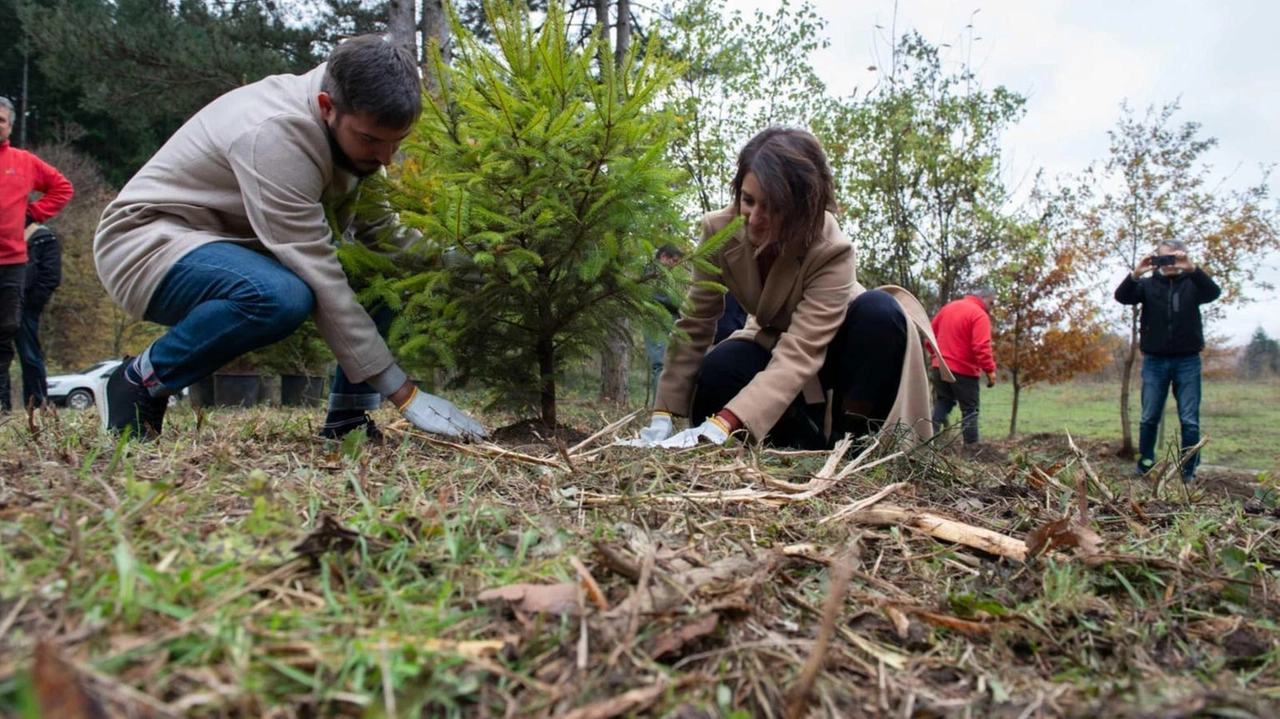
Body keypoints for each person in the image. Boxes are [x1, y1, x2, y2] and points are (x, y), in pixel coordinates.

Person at [93, 35, 486, 441]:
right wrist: (405, 395)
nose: (386, 158)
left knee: (378, 272)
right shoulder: (275, 137)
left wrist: (450, 260)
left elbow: (381, 234)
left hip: (234, 249)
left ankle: (348, 419)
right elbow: (318, 271)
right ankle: (138, 381)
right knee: (281, 295)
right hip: (148, 247)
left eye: (396, 142)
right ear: (326, 107)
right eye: (371, 140)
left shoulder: (352, 138)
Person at [624, 127, 949, 450]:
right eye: (747, 200)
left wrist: (725, 422)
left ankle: (851, 442)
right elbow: (695, 325)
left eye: (773, 208)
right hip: (775, 343)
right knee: (717, 374)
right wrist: (663, 412)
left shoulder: (831, 249)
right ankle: (807, 442)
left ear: (802, 208)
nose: (753, 219)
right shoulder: (719, 231)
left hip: (842, 347)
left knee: (881, 313)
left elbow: (801, 351)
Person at [1115, 239, 1220, 481]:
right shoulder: (1148, 285)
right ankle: (1146, 464)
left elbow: (1213, 293)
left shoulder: (1193, 284)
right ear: (1156, 259)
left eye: (1175, 258)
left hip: (1188, 360)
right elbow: (1122, 297)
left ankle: (1188, 470)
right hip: (1154, 361)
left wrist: (1192, 269)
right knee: (1149, 416)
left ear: (1183, 257)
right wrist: (1136, 273)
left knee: (1189, 420)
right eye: (1165, 258)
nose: (1170, 263)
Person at [0, 96, 73, 413]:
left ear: (10, 127)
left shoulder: (24, 162)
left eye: (0, 120)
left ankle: (2, 407)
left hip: (12, 262)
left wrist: (33, 214)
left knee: (5, 334)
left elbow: (62, 188)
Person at [0, 222, 62, 411]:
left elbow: (51, 276)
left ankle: (37, 405)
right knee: (2, 356)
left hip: (27, 306)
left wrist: (31, 303)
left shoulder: (43, 237)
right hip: (5, 304)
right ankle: (3, 406)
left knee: (29, 356)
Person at [929, 288, 997, 446]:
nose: (991, 307)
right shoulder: (979, 315)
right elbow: (981, 347)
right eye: (992, 302)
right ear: (983, 297)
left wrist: (937, 356)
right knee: (969, 409)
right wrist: (990, 370)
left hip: (939, 367)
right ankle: (972, 450)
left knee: (943, 401)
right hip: (964, 371)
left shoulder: (948, 308)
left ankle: (927, 440)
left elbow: (929, 335)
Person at [643, 244, 684, 399]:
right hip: (655, 324)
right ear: (664, 257)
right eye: (673, 260)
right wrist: (684, 304)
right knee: (660, 364)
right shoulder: (652, 273)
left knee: (670, 365)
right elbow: (659, 297)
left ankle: (668, 407)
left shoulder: (665, 276)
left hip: (667, 324)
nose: (675, 265)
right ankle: (659, 410)